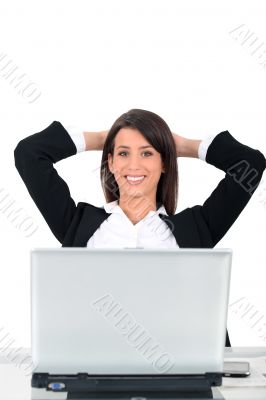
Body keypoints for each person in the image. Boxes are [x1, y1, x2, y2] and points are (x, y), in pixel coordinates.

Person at [14, 108, 266, 347]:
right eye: (123, 153)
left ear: (165, 162)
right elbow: (29, 154)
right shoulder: (77, 224)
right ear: (110, 162)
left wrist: (184, 146)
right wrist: (104, 138)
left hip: (181, 377)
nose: (133, 165)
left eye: (147, 153)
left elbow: (250, 164)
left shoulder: (197, 228)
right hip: (94, 372)